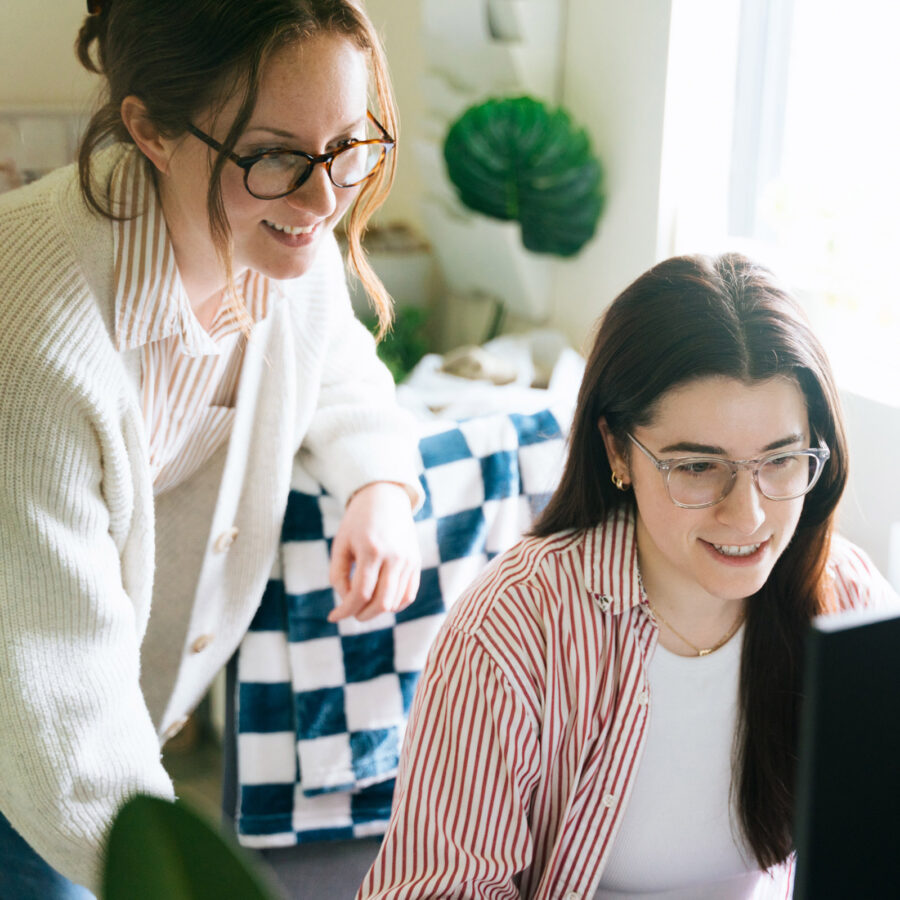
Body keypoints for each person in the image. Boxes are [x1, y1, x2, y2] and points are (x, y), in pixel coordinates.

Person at [0, 1, 424, 896]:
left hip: (101, 730)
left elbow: (338, 363)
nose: (322, 199)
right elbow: (60, 708)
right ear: (150, 130)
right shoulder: (36, 331)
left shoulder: (274, 239)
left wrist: (379, 483)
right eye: (274, 155)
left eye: (348, 146)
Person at [358, 253, 900, 899]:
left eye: (781, 461)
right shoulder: (513, 630)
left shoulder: (847, 599)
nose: (748, 515)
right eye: (698, 468)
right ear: (618, 450)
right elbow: (438, 890)